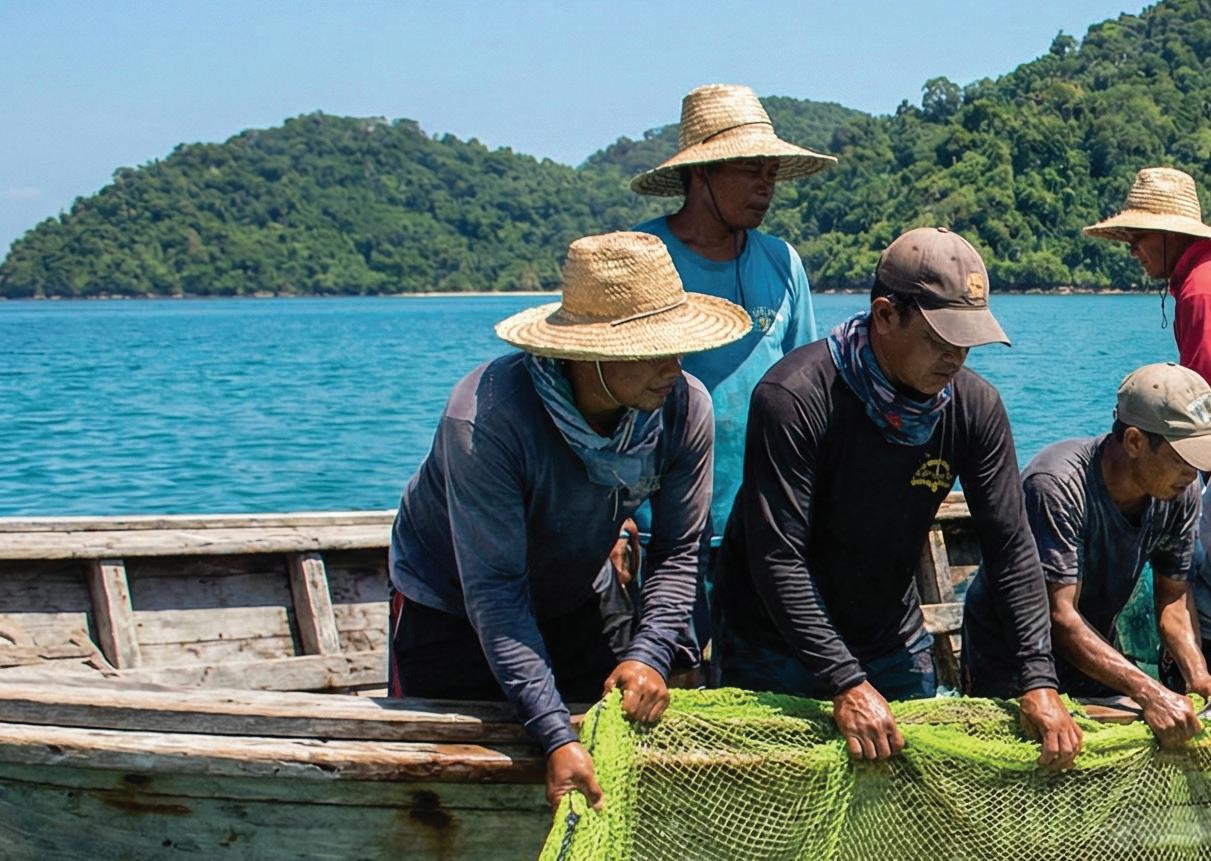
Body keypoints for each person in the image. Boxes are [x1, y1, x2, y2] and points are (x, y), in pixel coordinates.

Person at [386, 231, 750, 812]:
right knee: (444, 788)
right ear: (588, 353)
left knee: (614, 741)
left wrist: (649, 654)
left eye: (679, 346)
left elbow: (680, 551)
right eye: (654, 349)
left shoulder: (683, 408)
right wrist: (555, 735)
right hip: (450, 605)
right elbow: (496, 592)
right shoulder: (487, 419)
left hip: (575, 590)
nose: (674, 366)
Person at [713, 226, 1083, 767]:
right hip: (775, 643)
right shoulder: (794, 397)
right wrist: (844, 680)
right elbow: (778, 556)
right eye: (940, 338)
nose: (956, 357)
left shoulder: (974, 408)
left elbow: (1011, 548)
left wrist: (1039, 678)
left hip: (891, 638)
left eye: (967, 340)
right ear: (885, 316)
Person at [626, 83, 837, 658]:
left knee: (755, 682)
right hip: (657, 528)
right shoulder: (643, 258)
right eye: (749, 170)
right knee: (667, 677)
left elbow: (810, 395)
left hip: (762, 531)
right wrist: (614, 522)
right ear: (700, 174)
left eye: (771, 172)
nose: (766, 186)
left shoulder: (782, 263)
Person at [963, 362, 1211, 747]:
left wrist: (1199, 677)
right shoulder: (1057, 486)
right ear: (1134, 442)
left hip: (1093, 654)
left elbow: (1174, 601)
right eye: (1182, 458)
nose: (1192, 473)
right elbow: (1059, 616)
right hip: (1012, 663)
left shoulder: (1179, 491)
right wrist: (1149, 691)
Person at [1084, 167, 1211, 383]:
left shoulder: (1199, 290)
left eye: (1137, 239)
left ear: (1172, 233)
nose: (1133, 252)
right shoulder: (1201, 274)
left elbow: (1203, 392)